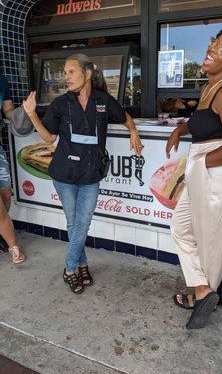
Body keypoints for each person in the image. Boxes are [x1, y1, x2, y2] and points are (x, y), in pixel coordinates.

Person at [23, 54, 143, 294]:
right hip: (64, 175)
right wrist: (32, 114)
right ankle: (77, 266)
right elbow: (49, 138)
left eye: (71, 72)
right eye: (64, 72)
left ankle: (74, 266)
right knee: (75, 223)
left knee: (81, 222)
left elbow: (124, 116)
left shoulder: (102, 100)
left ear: (87, 74)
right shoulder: (60, 103)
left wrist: (133, 132)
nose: (66, 77)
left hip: (90, 175)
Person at [166, 28, 222, 329]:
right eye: (215, 42)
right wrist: (180, 130)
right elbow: (203, 123)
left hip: (220, 171)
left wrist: (201, 163)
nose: (213, 48)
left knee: (211, 243)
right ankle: (204, 291)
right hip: (207, 169)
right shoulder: (210, 87)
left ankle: (202, 297)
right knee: (180, 227)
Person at [0, 74, 26, 263]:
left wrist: (22, 113)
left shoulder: (1, 80)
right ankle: (12, 244)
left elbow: (7, 110)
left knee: (6, 193)